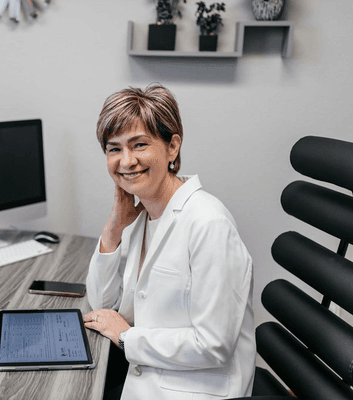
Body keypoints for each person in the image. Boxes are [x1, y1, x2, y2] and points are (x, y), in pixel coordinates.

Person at [83, 84, 255, 400]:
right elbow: (101, 305)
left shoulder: (208, 223)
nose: (126, 161)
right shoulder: (143, 216)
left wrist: (126, 337)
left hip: (196, 390)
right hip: (151, 376)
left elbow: (213, 345)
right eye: (114, 148)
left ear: (172, 147)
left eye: (139, 144)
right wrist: (113, 229)